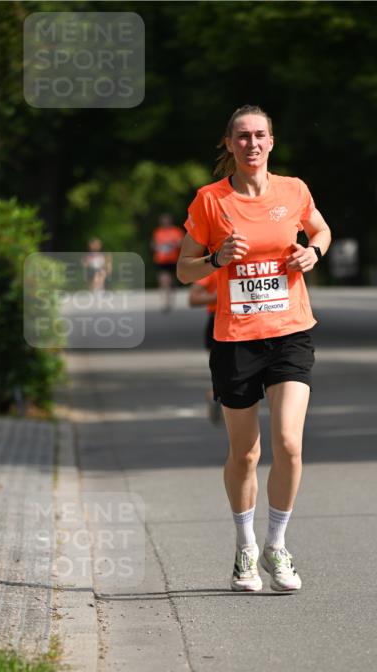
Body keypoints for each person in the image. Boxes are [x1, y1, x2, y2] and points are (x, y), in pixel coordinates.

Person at [177, 104, 331, 593]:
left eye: (260, 135)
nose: (252, 144)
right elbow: (185, 270)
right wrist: (215, 258)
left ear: (272, 141)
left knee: (288, 443)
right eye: (242, 137)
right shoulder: (210, 201)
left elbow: (321, 230)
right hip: (235, 339)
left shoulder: (294, 190)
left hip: (290, 331)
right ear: (229, 144)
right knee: (245, 453)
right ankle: (245, 548)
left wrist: (314, 252)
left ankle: (276, 544)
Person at [188, 272, 222, 423]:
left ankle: (216, 394)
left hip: (252, 321)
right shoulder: (214, 266)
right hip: (218, 321)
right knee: (223, 371)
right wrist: (219, 296)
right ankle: (216, 394)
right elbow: (193, 299)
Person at [151, 214, 184, 311]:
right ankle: (165, 301)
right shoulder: (158, 232)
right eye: (163, 221)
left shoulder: (176, 231)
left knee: (172, 281)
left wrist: (173, 244)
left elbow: (182, 243)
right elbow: (153, 244)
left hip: (173, 260)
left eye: (167, 221)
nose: (165, 223)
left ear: (170, 221)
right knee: (164, 280)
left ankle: (171, 297)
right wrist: (157, 246)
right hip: (161, 260)